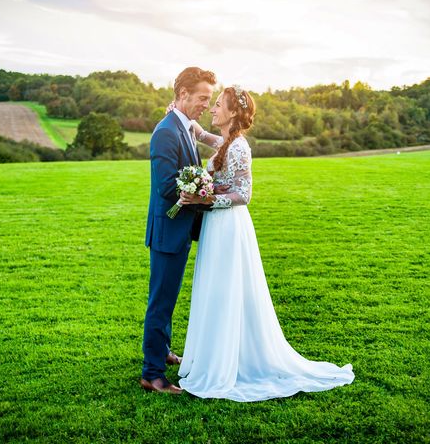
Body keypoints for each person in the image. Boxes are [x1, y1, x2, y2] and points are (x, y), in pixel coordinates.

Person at [177, 86, 355, 401]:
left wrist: (205, 198)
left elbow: (243, 195)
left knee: (227, 288)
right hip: (218, 227)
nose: (213, 109)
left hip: (229, 226)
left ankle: (232, 360)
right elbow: (219, 144)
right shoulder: (228, 143)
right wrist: (198, 132)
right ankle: (214, 354)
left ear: (232, 112)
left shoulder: (240, 148)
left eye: (218, 105)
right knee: (217, 289)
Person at [141, 67, 217, 394]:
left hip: (179, 229)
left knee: (169, 298)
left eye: (209, 99)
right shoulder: (166, 131)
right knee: (161, 301)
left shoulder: (183, 126)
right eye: (202, 98)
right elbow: (166, 187)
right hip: (167, 231)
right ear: (184, 93)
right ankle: (152, 374)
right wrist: (204, 193)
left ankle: (163, 351)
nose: (205, 105)